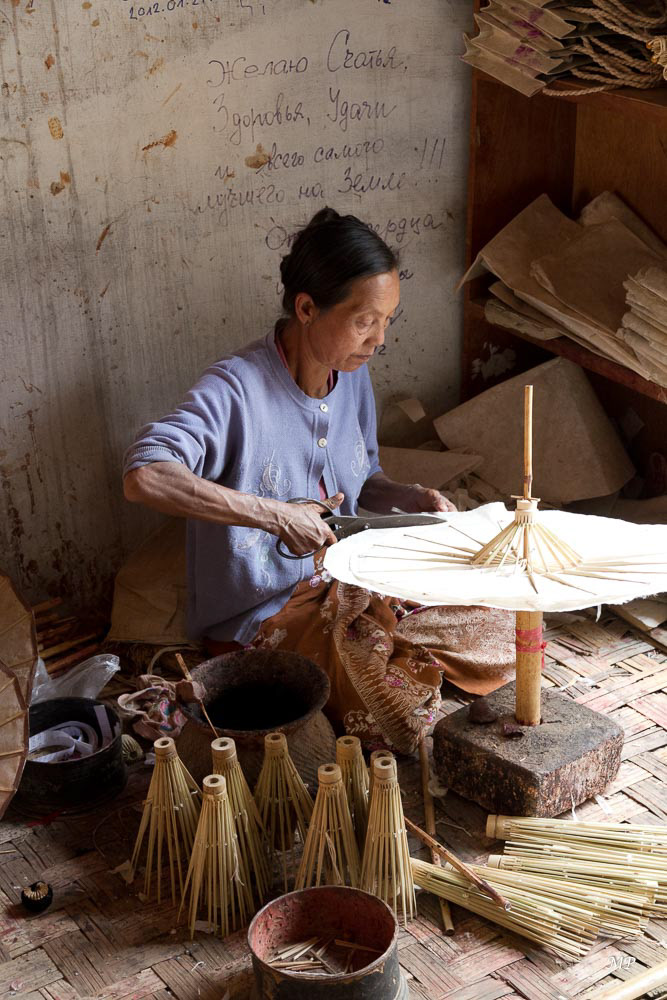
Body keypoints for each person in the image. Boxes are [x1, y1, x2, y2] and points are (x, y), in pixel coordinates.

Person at [123, 208, 514, 754]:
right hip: (264, 616)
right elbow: (145, 476)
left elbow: (364, 477)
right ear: (307, 307)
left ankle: (386, 646)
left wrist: (408, 496)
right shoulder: (234, 389)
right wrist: (274, 514)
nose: (378, 340)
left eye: (387, 322)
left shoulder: (350, 374)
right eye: (363, 321)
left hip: (346, 585)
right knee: (384, 711)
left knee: (500, 620)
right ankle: (374, 659)